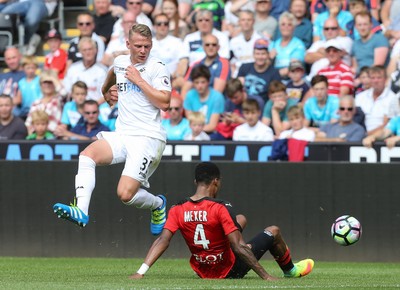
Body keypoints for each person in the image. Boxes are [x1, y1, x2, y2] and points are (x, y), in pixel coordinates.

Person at [53, 24, 171, 237]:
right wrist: (106, 91)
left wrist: (139, 81)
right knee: (87, 156)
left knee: (125, 194)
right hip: (123, 133)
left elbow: (165, 102)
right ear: (128, 44)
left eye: (147, 46)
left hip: (148, 137)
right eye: (138, 46)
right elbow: (111, 74)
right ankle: (81, 210)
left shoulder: (158, 67)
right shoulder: (120, 62)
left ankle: (157, 204)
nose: (143, 50)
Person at [129, 162, 314, 280]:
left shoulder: (178, 208)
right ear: (216, 181)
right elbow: (238, 248)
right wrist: (266, 276)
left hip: (202, 270)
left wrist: (141, 271)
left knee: (240, 219)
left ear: (196, 182)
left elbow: (162, 240)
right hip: (229, 270)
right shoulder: (220, 207)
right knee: (273, 231)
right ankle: (290, 270)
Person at [181, 34, 230, 98]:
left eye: (214, 45)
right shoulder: (195, 64)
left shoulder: (224, 63)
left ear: (218, 47)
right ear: (203, 47)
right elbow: (185, 89)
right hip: (196, 103)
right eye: (207, 45)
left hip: (215, 104)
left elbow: (217, 93)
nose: (210, 47)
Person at [355, 65, 397, 135]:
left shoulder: (393, 98)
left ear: (385, 79)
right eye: (373, 78)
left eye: (379, 78)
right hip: (358, 135)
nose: (376, 81)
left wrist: (367, 134)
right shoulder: (360, 97)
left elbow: (389, 125)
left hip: (381, 138)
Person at [63, 37, 108, 103]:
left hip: (95, 108)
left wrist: (92, 107)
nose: (87, 52)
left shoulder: (103, 71)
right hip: (76, 107)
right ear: (80, 52)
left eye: (90, 49)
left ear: (96, 50)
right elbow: (67, 90)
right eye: (84, 50)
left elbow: (106, 95)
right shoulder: (72, 69)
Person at [183, 65, 225, 134]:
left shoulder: (217, 97)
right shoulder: (189, 95)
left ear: (208, 82)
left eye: (203, 82)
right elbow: (190, 121)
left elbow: (212, 126)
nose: (200, 86)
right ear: (193, 83)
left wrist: (196, 129)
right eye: (196, 82)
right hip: (193, 132)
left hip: (211, 134)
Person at [237, 38, 281, 102]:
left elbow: (276, 94)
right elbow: (237, 88)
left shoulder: (274, 73)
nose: (260, 57)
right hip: (244, 103)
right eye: (257, 54)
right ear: (253, 54)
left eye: (263, 54)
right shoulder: (244, 67)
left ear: (268, 55)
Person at [268, 12, 306, 79]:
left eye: (289, 25)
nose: (286, 27)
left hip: (291, 79)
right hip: (274, 80)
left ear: (294, 27)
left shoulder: (298, 44)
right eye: (283, 24)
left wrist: (274, 74)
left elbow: (294, 67)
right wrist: (270, 59)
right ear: (279, 27)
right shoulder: (273, 44)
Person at [151, 13, 184, 80]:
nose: (162, 26)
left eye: (165, 24)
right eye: (159, 24)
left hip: (171, 80)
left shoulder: (177, 42)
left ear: (168, 26)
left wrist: (176, 76)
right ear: (154, 27)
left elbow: (182, 62)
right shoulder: (148, 43)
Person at [230, 10, 262, 77]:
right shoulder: (233, 42)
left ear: (254, 21)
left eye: (249, 20)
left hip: (256, 75)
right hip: (237, 77)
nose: (246, 22)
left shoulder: (261, 40)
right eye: (243, 20)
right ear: (239, 22)